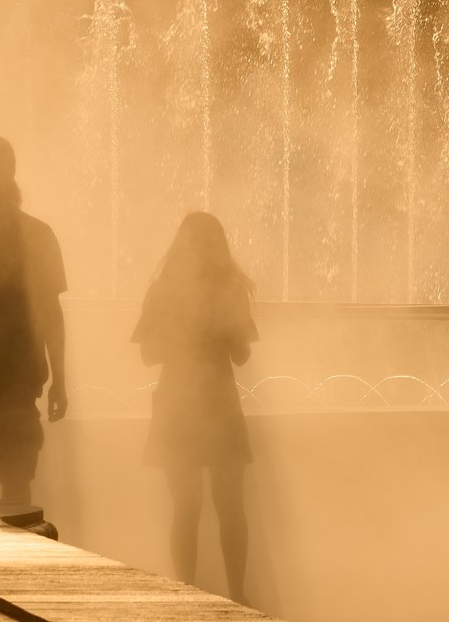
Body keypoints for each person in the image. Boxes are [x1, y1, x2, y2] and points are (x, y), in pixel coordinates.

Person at [132, 212, 257, 604]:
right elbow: (242, 356)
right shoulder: (229, 290)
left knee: (187, 508)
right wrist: (212, 327)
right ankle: (236, 596)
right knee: (228, 506)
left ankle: (187, 595)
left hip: (180, 403)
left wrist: (186, 332)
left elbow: (148, 355)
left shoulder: (163, 289)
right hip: (214, 402)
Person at [0, 135, 67, 505]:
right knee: (18, 488)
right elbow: (50, 315)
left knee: (18, 484)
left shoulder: (38, 235)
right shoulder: (38, 234)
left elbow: (51, 314)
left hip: (18, 382)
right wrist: (60, 380)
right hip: (20, 380)